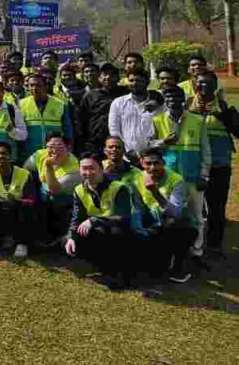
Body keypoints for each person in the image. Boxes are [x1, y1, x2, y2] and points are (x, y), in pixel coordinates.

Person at [64, 154, 135, 289]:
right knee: (68, 241)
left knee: (113, 232)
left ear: (101, 169)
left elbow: (123, 217)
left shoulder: (119, 187)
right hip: (97, 229)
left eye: (92, 168)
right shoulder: (79, 189)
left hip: (120, 231)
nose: (88, 173)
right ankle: (99, 267)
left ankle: (121, 274)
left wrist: (94, 220)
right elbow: (76, 218)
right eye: (84, 169)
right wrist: (71, 237)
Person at [190, 72, 237, 260]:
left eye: (209, 84)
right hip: (193, 164)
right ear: (195, 85)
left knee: (217, 207)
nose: (204, 87)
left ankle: (215, 245)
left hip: (219, 165)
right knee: (193, 208)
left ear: (215, 85)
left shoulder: (225, 106)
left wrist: (223, 115)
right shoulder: (186, 105)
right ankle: (193, 246)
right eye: (200, 83)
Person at [131, 149, 196, 283]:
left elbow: (175, 212)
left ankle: (179, 266)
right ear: (142, 163)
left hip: (177, 224)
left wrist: (155, 192)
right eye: (148, 163)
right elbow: (136, 207)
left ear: (164, 163)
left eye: (156, 163)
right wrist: (139, 229)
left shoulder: (177, 180)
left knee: (174, 224)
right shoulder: (137, 179)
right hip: (152, 221)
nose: (152, 168)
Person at [24, 133, 82, 244]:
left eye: (59, 147)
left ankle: (58, 238)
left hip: (65, 200)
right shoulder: (40, 154)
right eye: (50, 147)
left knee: (51, 199)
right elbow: (25, 170)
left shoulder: (75, 170)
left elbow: (53, 189)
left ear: (68, 148)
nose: (54, 151)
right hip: (45, 194)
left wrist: (49, 167)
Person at [148, 86, 207, 186]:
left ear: (183, 99)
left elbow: (206, 149)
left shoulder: (198, 120)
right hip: (167, 176)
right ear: (164, 100)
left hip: (193, 177)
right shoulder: (157, 120)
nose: (171, 99)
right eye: (168, 96)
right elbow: (149, 146)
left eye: (175, 96)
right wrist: (163, 142)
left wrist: (204, 176)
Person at [108, 69, 160, 161]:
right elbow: (114, 131)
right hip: (127, 156)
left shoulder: (158, 104)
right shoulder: (118, 103)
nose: (135, 83)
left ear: (147, 82)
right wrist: (125, 151)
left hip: (153, 157)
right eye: (131, 80)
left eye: (139, 80)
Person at [75, 63, 127, 155]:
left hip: (120, 144)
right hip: (94, 145)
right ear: (99, 78)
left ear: (118, 78)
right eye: (104, 74)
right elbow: (80, 121)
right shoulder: (90, 95)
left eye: (112, 74)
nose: (108, 77)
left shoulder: (125, 94)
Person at [19, 73, 72, 159]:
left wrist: (69, 146)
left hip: (54, 152)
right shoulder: (21, 104)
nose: (34, 88)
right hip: (30, 153)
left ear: (45, 86)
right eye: (31, 85)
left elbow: (67, 128)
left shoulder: (60, 104)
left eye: (38, 85)